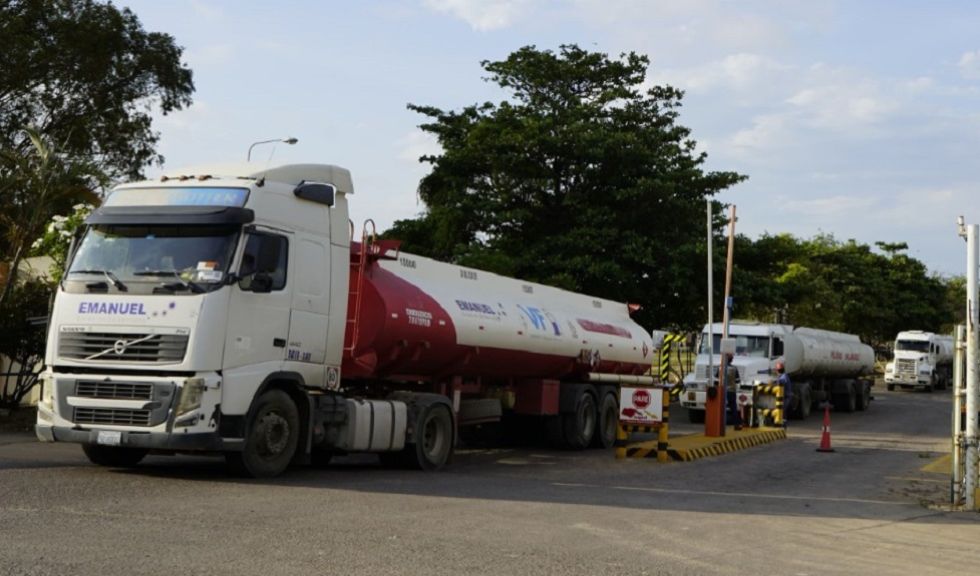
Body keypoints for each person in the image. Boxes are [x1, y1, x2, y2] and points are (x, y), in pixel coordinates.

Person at [776, 360, 792, 427]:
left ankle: (783, 424)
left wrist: (774, 381)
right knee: (782, 411)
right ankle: (783, 423)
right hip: (785, 397)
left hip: (786, 397)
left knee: (782, 410)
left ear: (778, 370)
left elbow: (782, 382)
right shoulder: (782, 376)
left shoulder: (784, 376)